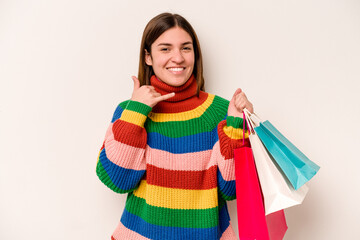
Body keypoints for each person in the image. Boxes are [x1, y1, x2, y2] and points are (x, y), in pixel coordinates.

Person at [96, 12, 254, 240]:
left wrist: (237, 126)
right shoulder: (130, 111)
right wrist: (136, 112)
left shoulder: (221, 111)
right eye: (165, 48)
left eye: (186, 48)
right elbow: (117, 180)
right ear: (148, 57)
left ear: (195, 55)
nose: (177, 58)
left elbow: (231, 190)